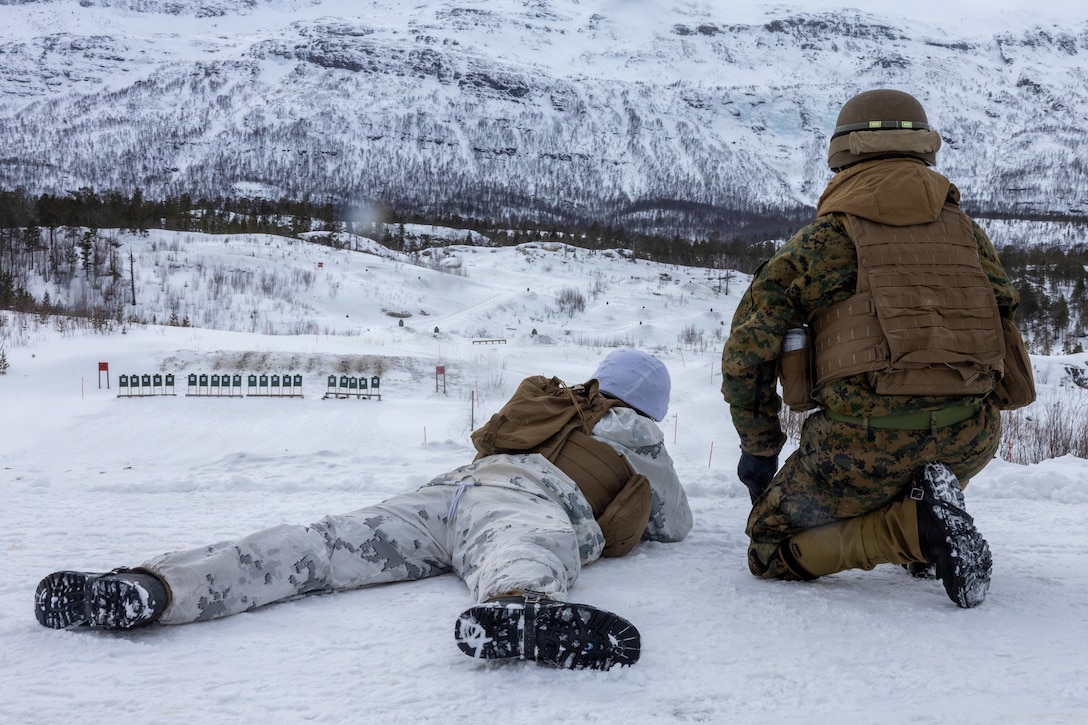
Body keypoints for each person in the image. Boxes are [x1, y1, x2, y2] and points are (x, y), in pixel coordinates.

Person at [35, 349, 692, 671]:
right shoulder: (637, 434)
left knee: (320, 545)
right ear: (649, 405)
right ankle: (520, 604)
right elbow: (673, 523)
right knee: (526, 541)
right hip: (524, 500)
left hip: (450, 491)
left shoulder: (556, 403)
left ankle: (159, 585)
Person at [721, 89, 1034, 608]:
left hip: (859, 445)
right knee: (913, 461)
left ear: (843, 154)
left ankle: (911, 532)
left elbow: (747, 354)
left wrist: (759, 448)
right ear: (926, 150)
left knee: (769, 548)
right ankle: (925, 507)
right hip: (969, 440)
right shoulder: (968, 234)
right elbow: (1003, 322)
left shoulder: (820, 241)